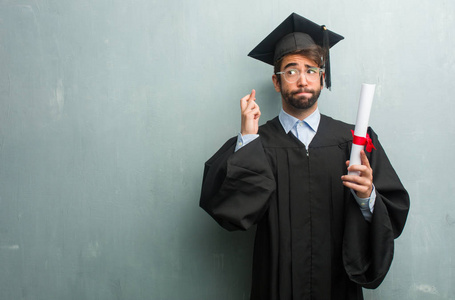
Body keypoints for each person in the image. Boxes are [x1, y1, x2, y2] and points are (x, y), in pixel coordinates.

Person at [200, 13, 409, 300]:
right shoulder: (255, 142)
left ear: (322, 79)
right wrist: (247, 139)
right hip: (276, 286)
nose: (302, 80)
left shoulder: (353, 141)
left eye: (311, 70)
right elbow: (231, 211)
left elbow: (393, 212)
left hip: (339, 285)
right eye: (291, 70)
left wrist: (367, 197)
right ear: (276, 81)